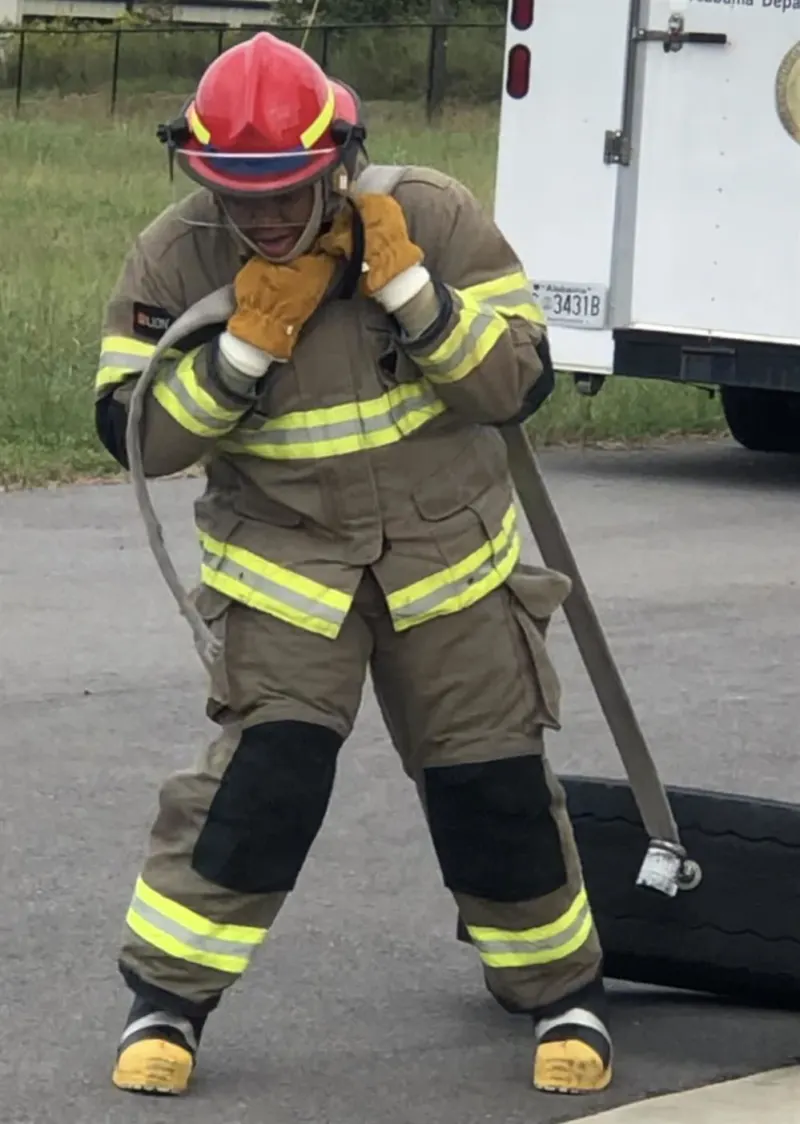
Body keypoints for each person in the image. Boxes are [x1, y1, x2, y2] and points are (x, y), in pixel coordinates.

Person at [93, 30, 612, 1100]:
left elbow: (516, 382)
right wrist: (240, 351)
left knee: (493, 785)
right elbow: (135, 432)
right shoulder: (175, 254)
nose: (267, 216)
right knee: (261, 784)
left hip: (449, 565)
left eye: (288, 189)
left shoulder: (431, 214)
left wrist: (415, 295)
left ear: (338, 155)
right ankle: (167, 999)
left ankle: (556, 990)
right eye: (239, 194)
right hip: (288, 576)